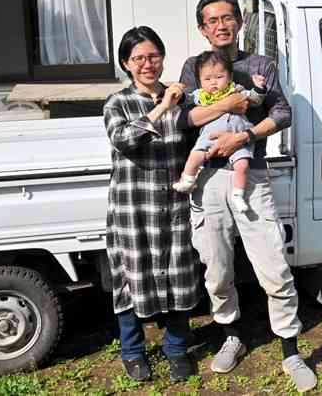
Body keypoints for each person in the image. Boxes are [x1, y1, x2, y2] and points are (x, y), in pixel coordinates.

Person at [179, 0, 317, 392]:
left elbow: (282, 112)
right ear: (202, 29)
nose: (220, 26)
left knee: (273, 266)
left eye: (227, 18)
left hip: (251, 174)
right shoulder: (195, 66)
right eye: (211, 21)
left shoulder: (261, 64)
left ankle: (290, 349)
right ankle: (231, 336)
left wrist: (245, 137)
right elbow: (188, 117)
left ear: (239, 22)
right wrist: (232, 105)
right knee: (217, 269)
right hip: (207, 180)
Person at [103, 26, 245, 383]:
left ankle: (177, 349)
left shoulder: (185, 96)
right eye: (139, 58)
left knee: (181, 274)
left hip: (178, 201)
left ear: (163, 58)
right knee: (131, 278)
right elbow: (125, 140)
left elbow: (211, 113)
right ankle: (132, 352)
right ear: (126, 63)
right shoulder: (118, 102)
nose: (148, 64)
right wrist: (163, 107)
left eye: (153, 56)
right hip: (134, 207)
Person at [172, 50, 266, 217]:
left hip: (239, 137)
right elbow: (185, 101)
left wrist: (259, 88)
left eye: (219, 77)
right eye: (207, 79)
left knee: (242, 166)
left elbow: (255, 100)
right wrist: (177, 94)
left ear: (229, 77)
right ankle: (187, 180)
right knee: (195, 156)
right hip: (209, 135)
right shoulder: (201, 95)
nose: (213, 83)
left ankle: (238, 195)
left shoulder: (236, 91)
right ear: (200, 81)